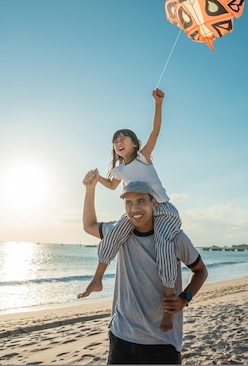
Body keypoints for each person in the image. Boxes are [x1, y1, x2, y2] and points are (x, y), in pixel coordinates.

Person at [77, 88, 182, 333]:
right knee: (113, 235)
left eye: (124, 138)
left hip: (164, 210)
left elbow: (156, 131)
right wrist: (96, 179)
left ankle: (169, 306)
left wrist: (158, 104)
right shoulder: (118, 170)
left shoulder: (143, 158)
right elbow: (113, 186)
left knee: (164, 246)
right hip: (137, 210)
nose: (119, 142)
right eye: (115, 140)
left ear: (135, 144)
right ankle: (98, 279)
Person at [81, 173, 207, 364]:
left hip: (163, 342)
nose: (135, 208)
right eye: (129, 203)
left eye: (141, 201)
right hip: (122, 337)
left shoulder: (176, 238)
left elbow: (200, 271)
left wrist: (184, 298)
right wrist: (90, 190)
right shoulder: (119, 234)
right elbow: (88, 225)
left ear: (153, 204)